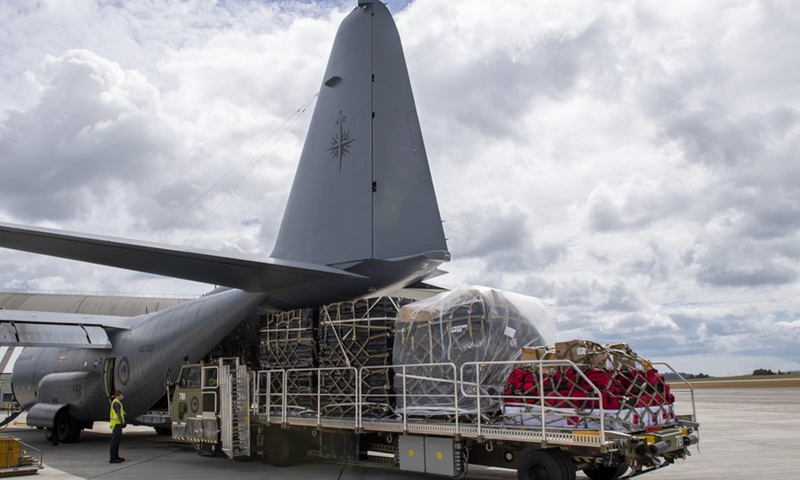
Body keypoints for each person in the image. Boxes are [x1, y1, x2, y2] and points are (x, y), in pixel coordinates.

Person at [109, 390, 127, 463]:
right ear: (119, 395)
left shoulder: (116, 402)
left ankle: (116, 456)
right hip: (117, 424)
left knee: (117, 441)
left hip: (117, 424)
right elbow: (118, 414)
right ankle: (113, 458)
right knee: (114, 442)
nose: (122, 396)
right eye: (122, 395)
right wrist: (123, 422)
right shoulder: (116, 403)